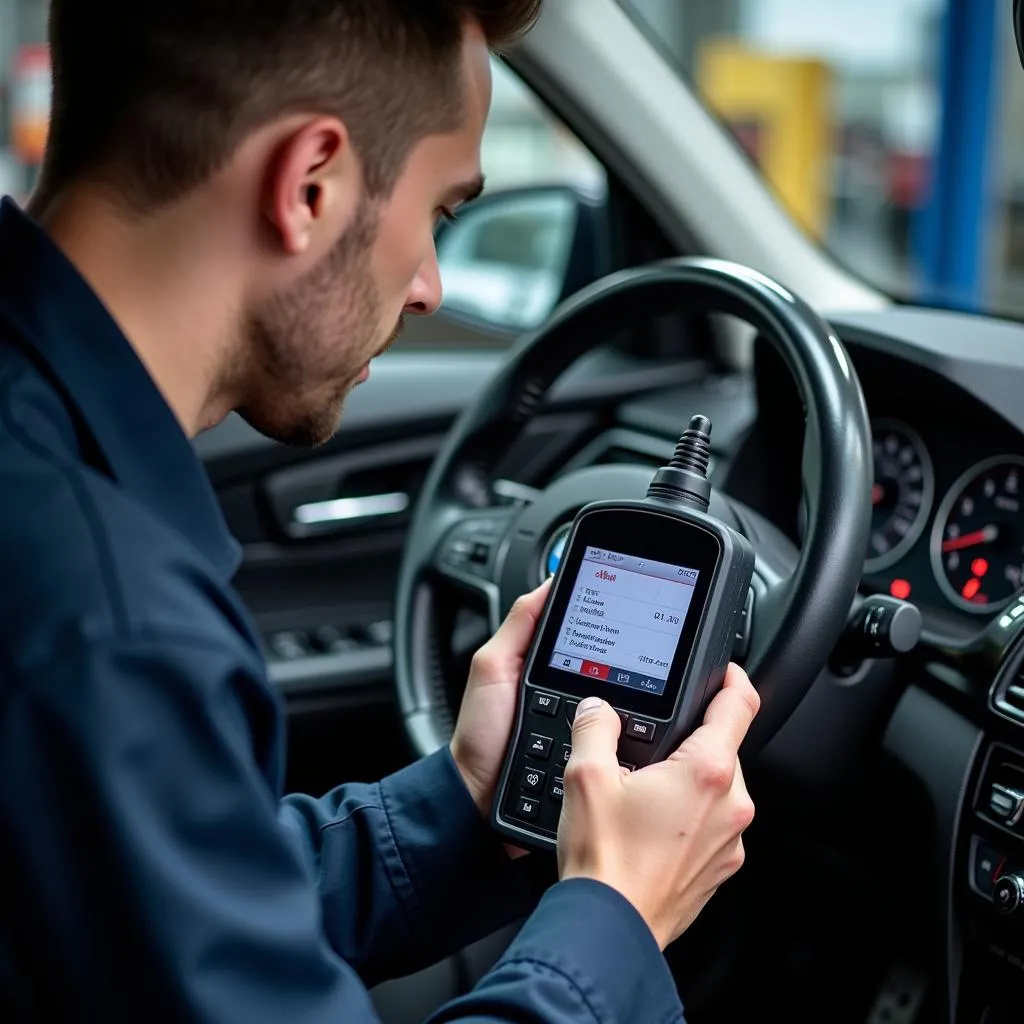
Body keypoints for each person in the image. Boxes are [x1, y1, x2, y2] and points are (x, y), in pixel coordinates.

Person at [0, 2, 760, 1021]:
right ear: (310, 183)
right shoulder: (111, 622)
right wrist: (616, 914)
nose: (430, 287)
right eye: (441, 213)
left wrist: (469, 799)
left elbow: (165, 912)